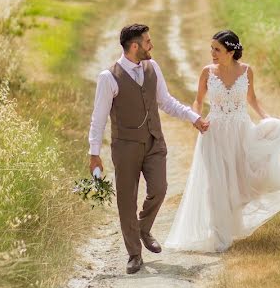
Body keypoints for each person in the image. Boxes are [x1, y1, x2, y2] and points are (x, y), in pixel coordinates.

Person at [165, 30, 280, 252]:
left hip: (240, 130)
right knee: (215, 184)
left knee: (241, 179)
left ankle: (232, 220)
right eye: (212, 49)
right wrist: (196, 118)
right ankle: (219, 236)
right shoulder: (207, 73)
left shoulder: (247, 71)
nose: (212, 53)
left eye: (217, 49)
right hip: (214, 133)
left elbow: (252, 100)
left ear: (230, 51)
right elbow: (197, 101)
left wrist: (270, 121)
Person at [88, 24, 209, 274]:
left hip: (154, 142)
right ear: (135, 46)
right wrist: (94, 153)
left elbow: (165, 101)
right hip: (126, 147)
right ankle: (134, 254)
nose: (151, 45)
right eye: (148, 42)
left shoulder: (153, 67)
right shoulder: (108, 77)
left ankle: (143, 228)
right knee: (126, 201)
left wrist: (192, 117)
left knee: (160, 188)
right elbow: (98, 118)